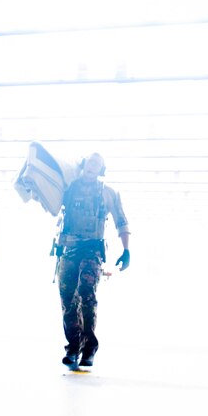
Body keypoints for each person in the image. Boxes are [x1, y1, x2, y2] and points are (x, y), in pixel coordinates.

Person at [55, 152, 130, 370]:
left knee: (86, 293)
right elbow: (49, 198)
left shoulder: (107, 193)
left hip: (92, 251)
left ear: (101, 170)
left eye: (97, 165)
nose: (92, 167)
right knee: (67, 299)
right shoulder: (68, 189)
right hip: (68, 249)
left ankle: (89, 346)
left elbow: (121, 221)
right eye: (90, 163)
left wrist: (126, 250)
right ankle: (73, 346)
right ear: (84, 165)